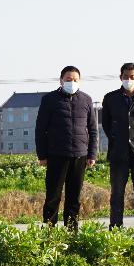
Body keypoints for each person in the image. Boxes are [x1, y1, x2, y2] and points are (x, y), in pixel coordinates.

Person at [35, 66, 99, 231]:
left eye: (75, 80)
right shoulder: (49, 99)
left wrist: (92, 154)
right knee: (53, 196)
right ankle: (50, 231)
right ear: (61, 80)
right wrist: (42, 155)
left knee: (74, 197)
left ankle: (72, 231)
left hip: (80, 155)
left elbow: (92, 129)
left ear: (80, 81)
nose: (72, 83)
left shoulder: (86, 100)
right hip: (56, 154)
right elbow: (41, 129)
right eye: (68, 80)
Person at [101, 62, 134, 228]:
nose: (129, 79)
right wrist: (118, 138)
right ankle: (116, 229)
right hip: (118, 152)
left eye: (132, 77)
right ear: (120, 77)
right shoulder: (110, 98)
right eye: (125, 77)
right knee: (117, 193)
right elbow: (106, 125)